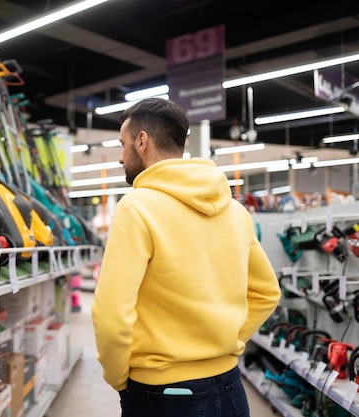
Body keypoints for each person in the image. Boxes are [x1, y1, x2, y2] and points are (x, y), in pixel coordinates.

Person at [91, 98, 281, 417]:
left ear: (142, 141)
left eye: (123, 145)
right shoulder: (235, 211)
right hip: (231, 387)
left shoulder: (136, 207)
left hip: (164, 393)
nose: (120, 158)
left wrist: (118, 377)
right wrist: (224, 341)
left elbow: (111, 314)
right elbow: (266, 293)